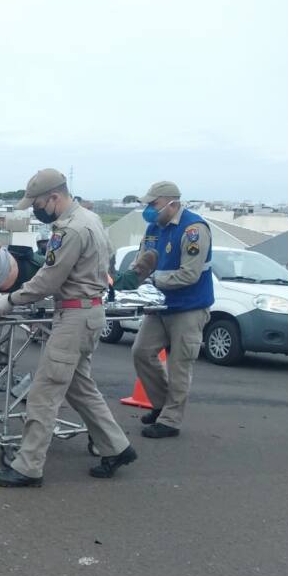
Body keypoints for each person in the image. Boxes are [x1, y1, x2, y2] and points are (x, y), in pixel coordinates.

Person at [0, 168, 137, 487]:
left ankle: (28, 467)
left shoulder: (70, 229)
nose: (37, 211)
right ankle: (117, 447)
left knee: (44, 392)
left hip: (74, 316)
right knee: (79, 386)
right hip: (87, 313)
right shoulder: (90, 219)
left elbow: (49, 279)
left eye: (38, 204)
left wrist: (10, 299)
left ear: (54, 197)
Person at [114, 181, 213, 439]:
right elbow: (142, 262)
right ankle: (161, 405)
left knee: (180, 365)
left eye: (153, 204)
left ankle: (170, 420)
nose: (149, 209)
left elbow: (189, 274)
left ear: (172, 202)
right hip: (159, 305)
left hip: (189, 307)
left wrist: (154, 279)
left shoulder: (193, 229)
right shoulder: (153, 228)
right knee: (141, 352)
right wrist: (129, 279)